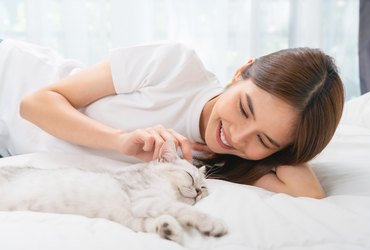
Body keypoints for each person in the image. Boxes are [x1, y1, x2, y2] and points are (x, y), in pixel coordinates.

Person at [0, 39, 344, 198]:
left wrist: (288, 148)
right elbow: (36, 103)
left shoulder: (223, 162)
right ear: (241, 72)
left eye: (264, 140)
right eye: (244, 109)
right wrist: (121, 141)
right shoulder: (176, 66)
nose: (238, 137)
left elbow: (308, 194)